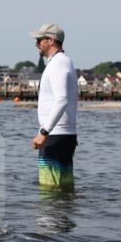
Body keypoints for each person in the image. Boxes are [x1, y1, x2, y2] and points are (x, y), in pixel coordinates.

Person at [29, 23, 78, 188]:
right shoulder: (64, 61)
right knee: (64, 190)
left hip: (55, 135)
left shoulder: (58, 63)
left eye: (39, 39)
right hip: (61, 134)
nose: (36, 44)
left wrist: (44, 132)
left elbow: (62, 99)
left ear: (51, 40)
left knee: (50, 189)